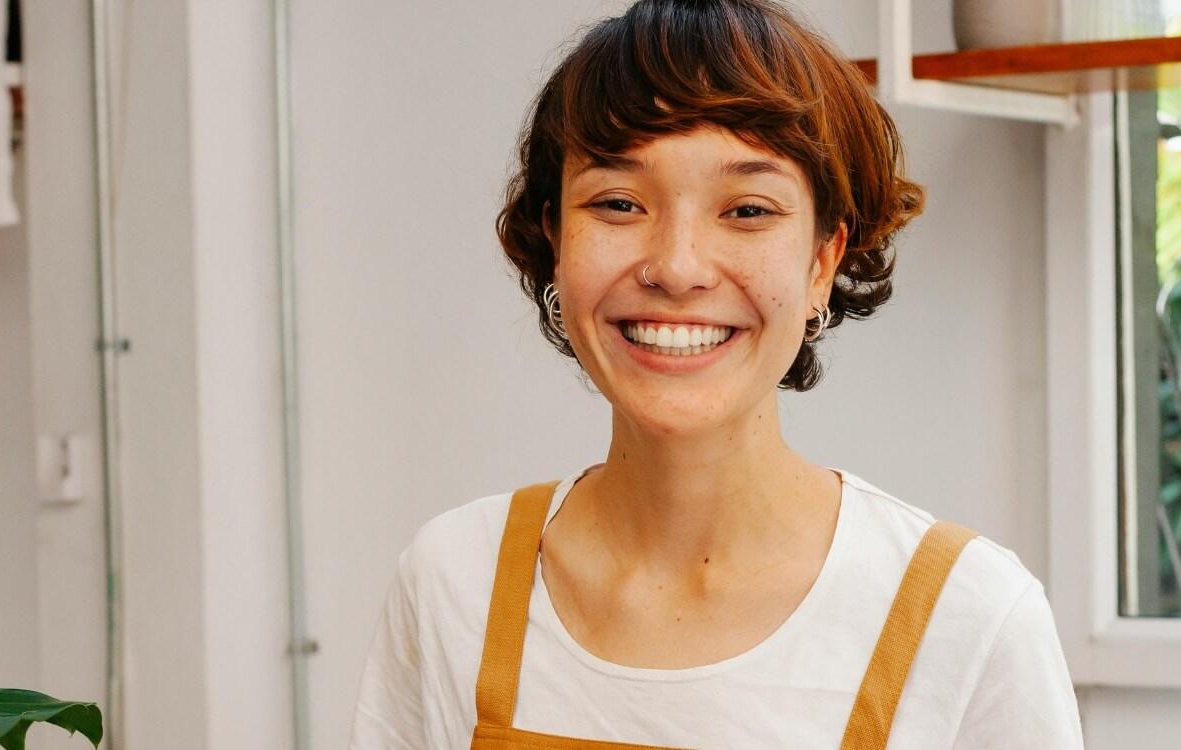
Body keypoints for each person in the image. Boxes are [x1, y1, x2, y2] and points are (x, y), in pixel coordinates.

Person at [349, 0, 1084, 747]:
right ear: (555, 239)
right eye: (618, 201)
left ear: (823, 261)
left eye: (748, 210)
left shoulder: (969, 621)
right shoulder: (452, 584)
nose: (676, 266)